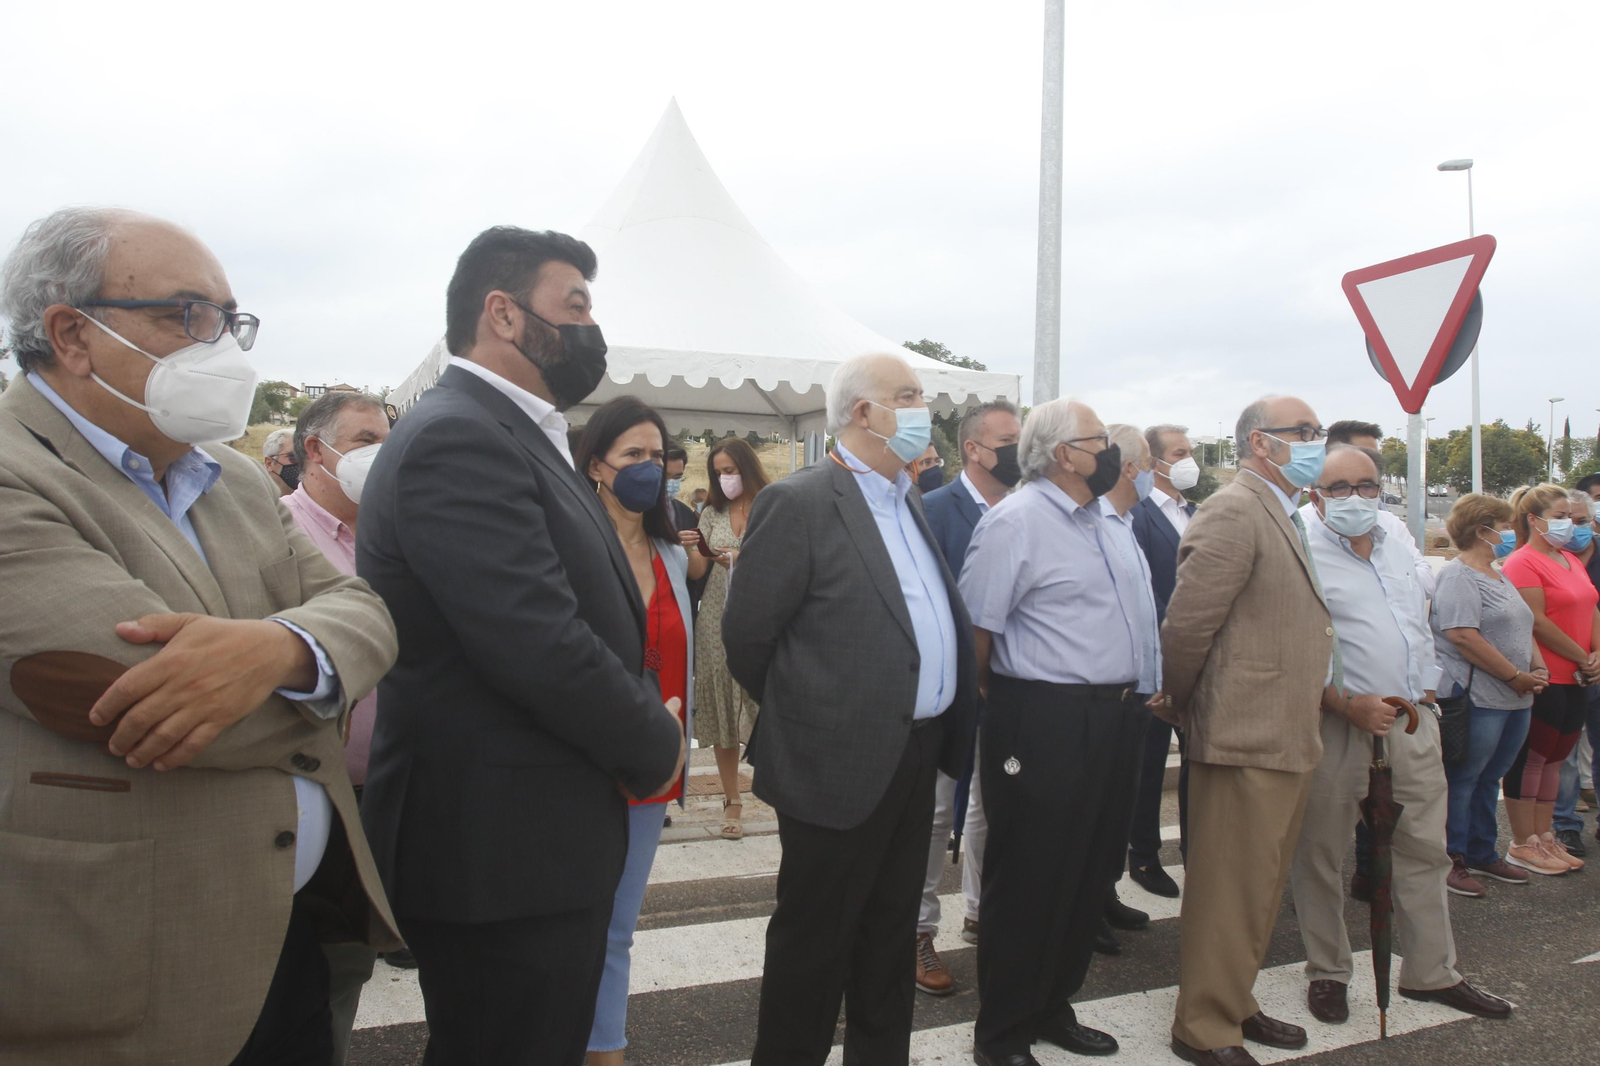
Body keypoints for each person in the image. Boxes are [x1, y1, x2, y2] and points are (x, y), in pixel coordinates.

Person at [0, 207, 400, 1065]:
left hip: (283, 932)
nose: (224, 348)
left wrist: (280, 651)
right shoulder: (13, 472)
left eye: (230, 319)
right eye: (189, 317)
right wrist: (323, 675)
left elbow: (367, 609)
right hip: (122, 957)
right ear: (70, 333)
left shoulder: (235, 481)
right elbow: (127, 686)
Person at [356, 226, 686, 1065]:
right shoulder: (458, 436)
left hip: (529, 844)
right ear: (502, 314)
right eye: (573, 304)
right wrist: (657, 742)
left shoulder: (511, 430)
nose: (588, 328)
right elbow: (536, 640)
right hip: (497, 855)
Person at [722, 352, 978, 1066]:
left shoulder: (912, 500)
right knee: (814, 943)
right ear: (864, 413)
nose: (924, 409)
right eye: (909, 396)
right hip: (832, 762)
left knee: (890, 933)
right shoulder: (800, 502)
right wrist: (818, 717)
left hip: (916, 752)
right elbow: (748, 639)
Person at [957, 401, 1155, 1065]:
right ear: (1064, 453)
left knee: (1089, 871)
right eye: (1100, 441)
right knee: (1031, 878)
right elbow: (976, 635)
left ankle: (1052, 1005)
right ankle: (1003, 1032)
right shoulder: (1016, 521)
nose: (1113, 456)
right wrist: (1015, 706)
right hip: (1044, 719)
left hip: (1116, 716)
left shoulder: (1110, 520)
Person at [1289, 446, 1512, 1026]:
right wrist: (1340, 701)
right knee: (1320, 851)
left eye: (1366, 485)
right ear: (1315, 492)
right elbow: (1284, 644)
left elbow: (1416, 616)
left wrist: (1428, 696)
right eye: (1339, 488)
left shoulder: (1394, 533)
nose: (1355, 498)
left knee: (1424, 852)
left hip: (1412, 719)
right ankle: (1329, 972)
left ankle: (1432, 972)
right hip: (1337, 721)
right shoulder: (1298, 541)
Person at [1160, 396, 1333, 1066]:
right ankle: (1203, 1026)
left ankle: (1234, 999)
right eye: (1305, 433)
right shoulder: (1235, 509)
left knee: (1259, 887)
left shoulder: (1280, 510)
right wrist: (1183, 703)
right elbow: (1187, 626)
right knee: (1229, 890)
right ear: (1263, 444)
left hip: (1283, 730)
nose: (1316, 442)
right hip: (1243, 732)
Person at [573, 398, 696, 1066]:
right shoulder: (568, 543)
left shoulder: (670, 552)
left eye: (657, 456)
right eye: (632, 457)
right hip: (581, 766)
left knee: (617, 926)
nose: (650, 470)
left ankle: (604, 1052)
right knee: (570, 923)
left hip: (653, 768)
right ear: (596, 464)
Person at [281, 389, 392, 1064]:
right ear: (315, 452)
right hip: (318, 795)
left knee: (361, 955)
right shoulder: (279, 530)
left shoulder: (388, 530)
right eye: (363, 440)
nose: (380, 453)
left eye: (388, 438)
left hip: (390, 785)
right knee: (320, 971)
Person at [914, 399, 1021, 994]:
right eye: (1008, 440)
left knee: (993, 803)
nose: (1018, 451)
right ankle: (919, 932)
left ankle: (982, 910)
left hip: (1013, 690)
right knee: (935, 813)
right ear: (974, 449)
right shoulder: (932, 510)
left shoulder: (1031, 511)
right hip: (951, 690)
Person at [1431, 494, 1548, 891]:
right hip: (1479, 697)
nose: (1511, 532)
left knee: (1490, 776)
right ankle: (1452, 858)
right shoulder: (1458, 576)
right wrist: (1514, 675)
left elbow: (1523, 624)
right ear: (1482, 529)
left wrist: (1537, 667)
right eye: (1504, 525)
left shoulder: (1499, 573)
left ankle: (1482, 853)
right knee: (1463, 778)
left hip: (1516, 697)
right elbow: (1463, 635)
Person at [1498, 483, 1599, 875]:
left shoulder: (1569, 559)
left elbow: (1591, 606)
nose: (1568, 526)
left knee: (1556, 759)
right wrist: (1580, 655)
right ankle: (1523, 842)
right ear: (1533, 520)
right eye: (1559, 518)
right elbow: (1535, 620)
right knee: (1533, 758)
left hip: (1579, 676)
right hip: (1548, 675)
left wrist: (1596, 654)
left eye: (1572, 519)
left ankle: (1545, 836)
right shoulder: (1523, 562)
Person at [1095, 424, 1165, 950]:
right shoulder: (1096, 523)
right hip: (1106, 696)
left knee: (1117, 804)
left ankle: (1104, 892)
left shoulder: (1126, 521)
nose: (1151, 473)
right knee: (1094, 811)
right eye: (1148, 462)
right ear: (1131, 467)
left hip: (1138, 691)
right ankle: (1085, 907)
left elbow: (1144, 614)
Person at [1126, 423, 1197, 897]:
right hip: (1156, 663)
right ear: (1154, 461)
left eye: (1191, 451)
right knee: (1149, 766)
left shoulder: (1197, 512)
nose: (1190, 460)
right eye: (1180, 452)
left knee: (1197, 766)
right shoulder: (1139, 514)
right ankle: (1144, 856)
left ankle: (1199, 852)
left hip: (1198, 663)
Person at [694, 436, 768, 839]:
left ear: (747, 467)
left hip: (761, 615)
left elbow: (781, 556)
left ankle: (775, 783)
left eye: (730, 470)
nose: (725, 478)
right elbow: (696, 571)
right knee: (722, 702)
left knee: (763, 700)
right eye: (719, 472)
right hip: (717, 617)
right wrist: (694, 549)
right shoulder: (712, 511)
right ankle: (732, 797)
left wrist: (737, 558)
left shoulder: (773, 503)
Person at [1325, 420, 1435, 597]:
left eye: (1377, 457)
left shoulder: (1389, 523)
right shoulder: (1303, 530)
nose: (1374, 465)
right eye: (1366, 456)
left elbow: (1427, 584)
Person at [1552, 490, 1600, 855]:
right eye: (1569, 519)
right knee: (1563, 757)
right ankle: (1565, 826)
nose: (1576, 527)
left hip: (1596, 665)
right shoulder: (1553, 560)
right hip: (1562, 670)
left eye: (1583, 520)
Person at [664, 443, 712, 617]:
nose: (670, 484)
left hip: (680, 610)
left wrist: (685, 550)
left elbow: (697, 572)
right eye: (664, 476)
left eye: (677, 477)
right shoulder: (633, 514)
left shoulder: (685, 514)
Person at [263, 426, 298, 494]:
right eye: (293, 457)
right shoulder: (255, 500)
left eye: (307, 457)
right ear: (269, 463)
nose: (303, 462)